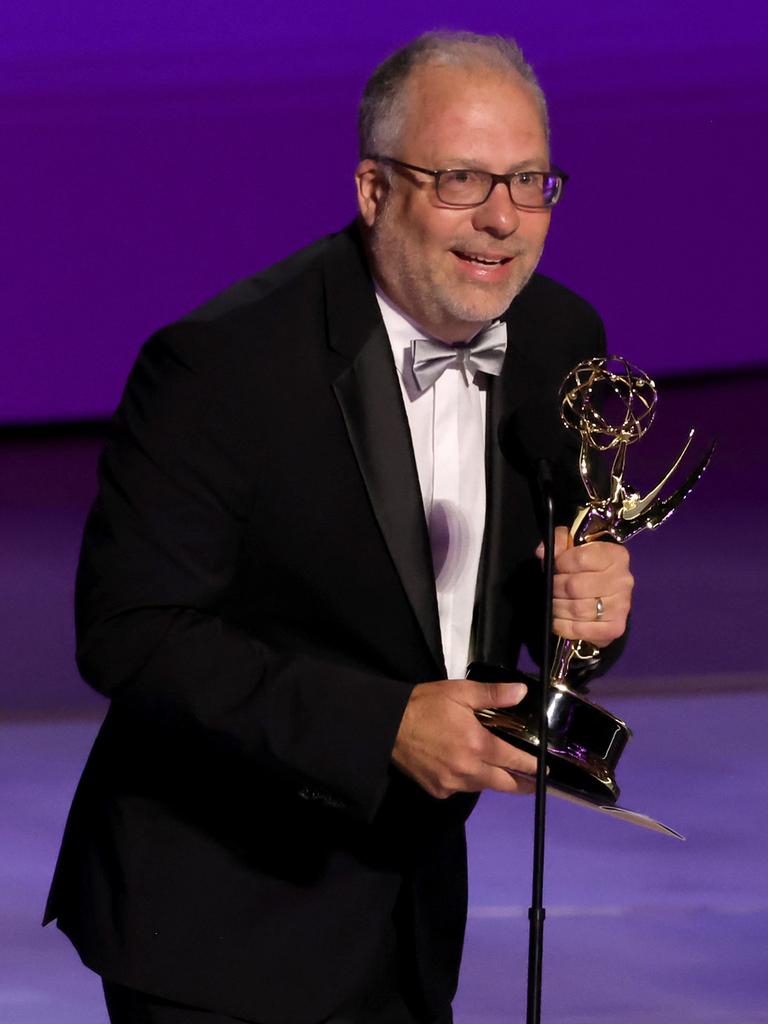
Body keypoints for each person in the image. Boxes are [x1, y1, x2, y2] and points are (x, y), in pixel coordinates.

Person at [45, 30, 633, 1024]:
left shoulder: (562, 342)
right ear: (373, 192)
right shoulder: (220, 366)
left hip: (408, 913)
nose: (501, 219)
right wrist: (383, 725)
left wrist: (590, 612)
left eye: (530, 182)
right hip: (216, 917)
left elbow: (548, 595)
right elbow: (131, 631)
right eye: (460, 179)